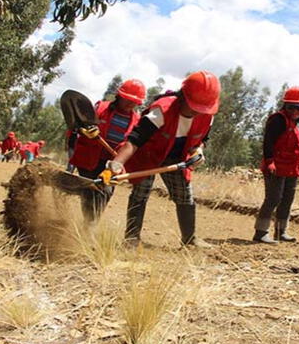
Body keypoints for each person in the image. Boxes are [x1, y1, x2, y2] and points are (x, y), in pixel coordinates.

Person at [99, 71, 219, 248]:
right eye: (194, 106)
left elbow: (202, 140)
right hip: (149, 155)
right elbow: (135, 140)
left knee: (185, 195)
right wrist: (116, 164)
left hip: (177, 158)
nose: (197, 112)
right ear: (183, 96)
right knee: (141, 193)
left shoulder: (208, 115)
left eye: (201, 108)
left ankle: (190, 239)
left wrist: (198, 151)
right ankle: (132, 238)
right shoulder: (161, 111)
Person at [69, 79, 145, 223]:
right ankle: (88, 224)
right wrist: (84, 130)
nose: (130, 104)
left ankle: (90, 223)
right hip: (90, 158)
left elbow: (133, 145)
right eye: (127, 99)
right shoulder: (100, 108)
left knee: (105, 192)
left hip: (113, 162)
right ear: (119, 96)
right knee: (89, 190)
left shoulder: (137, 120)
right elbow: (78, 124)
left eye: (134, 102)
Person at [253, 86, 299, 244]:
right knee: (273, 198)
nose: (296, 111)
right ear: (285, 106)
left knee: (287, 200)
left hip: (294, 167)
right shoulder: (277, 119)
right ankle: (261, 232)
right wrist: (269, 161)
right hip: (276, 166)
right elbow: (268, 142)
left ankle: (281, 231)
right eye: (292, 107)